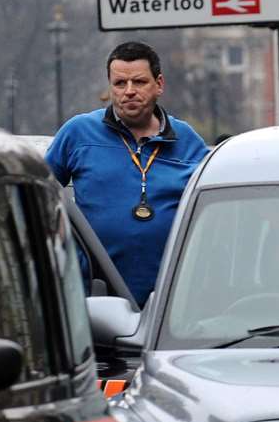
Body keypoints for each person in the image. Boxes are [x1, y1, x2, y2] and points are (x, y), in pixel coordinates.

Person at [46, 41, 209, 305]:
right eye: (120, 84)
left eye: (139, 82)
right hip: (94, 299)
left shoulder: (187, 141)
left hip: (170, 301)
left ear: (159, 84)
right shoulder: (78, 133)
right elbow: (40, 196)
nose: (129, 92)